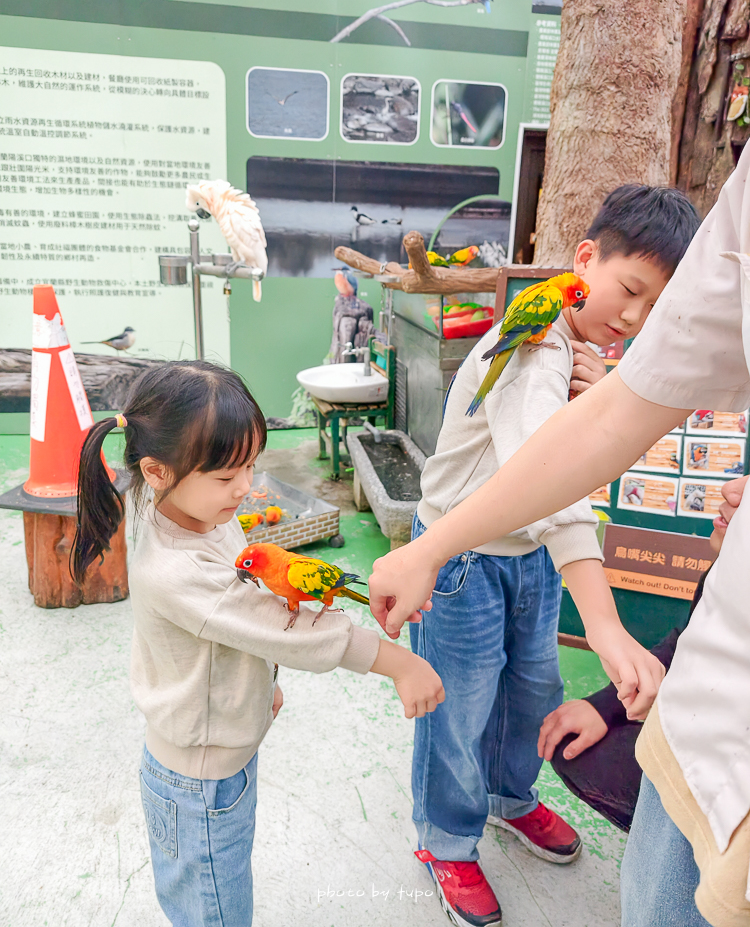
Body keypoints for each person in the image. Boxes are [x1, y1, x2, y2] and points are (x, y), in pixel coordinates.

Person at [370, 141, 750, 926]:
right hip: (468, 559)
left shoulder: (581, 353)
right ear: (584, 259)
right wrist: (607, 632)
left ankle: (510, 795)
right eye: (631, 289)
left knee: (532, 689)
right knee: (460, 704)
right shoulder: (539, 337)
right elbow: (554, 489)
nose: (636, 320)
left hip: (530, 564)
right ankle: (446, 838)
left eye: (658, 308)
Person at [72, 361, 444, 927]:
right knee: (215, 913)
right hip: (199, 783)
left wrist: (259, 683)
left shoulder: (190, 510)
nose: (245, 488)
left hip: (214, 755)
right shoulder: (180, 572)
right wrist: (401, 664)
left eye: (250, 465)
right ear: (157, 471)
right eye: (227, 477)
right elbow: (278, 626)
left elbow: (238, 628)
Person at [539, 476, 748, 834]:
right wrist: (608, 704)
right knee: (576, 748)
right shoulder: (728, 570)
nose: (731, 490)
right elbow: (689, 640)